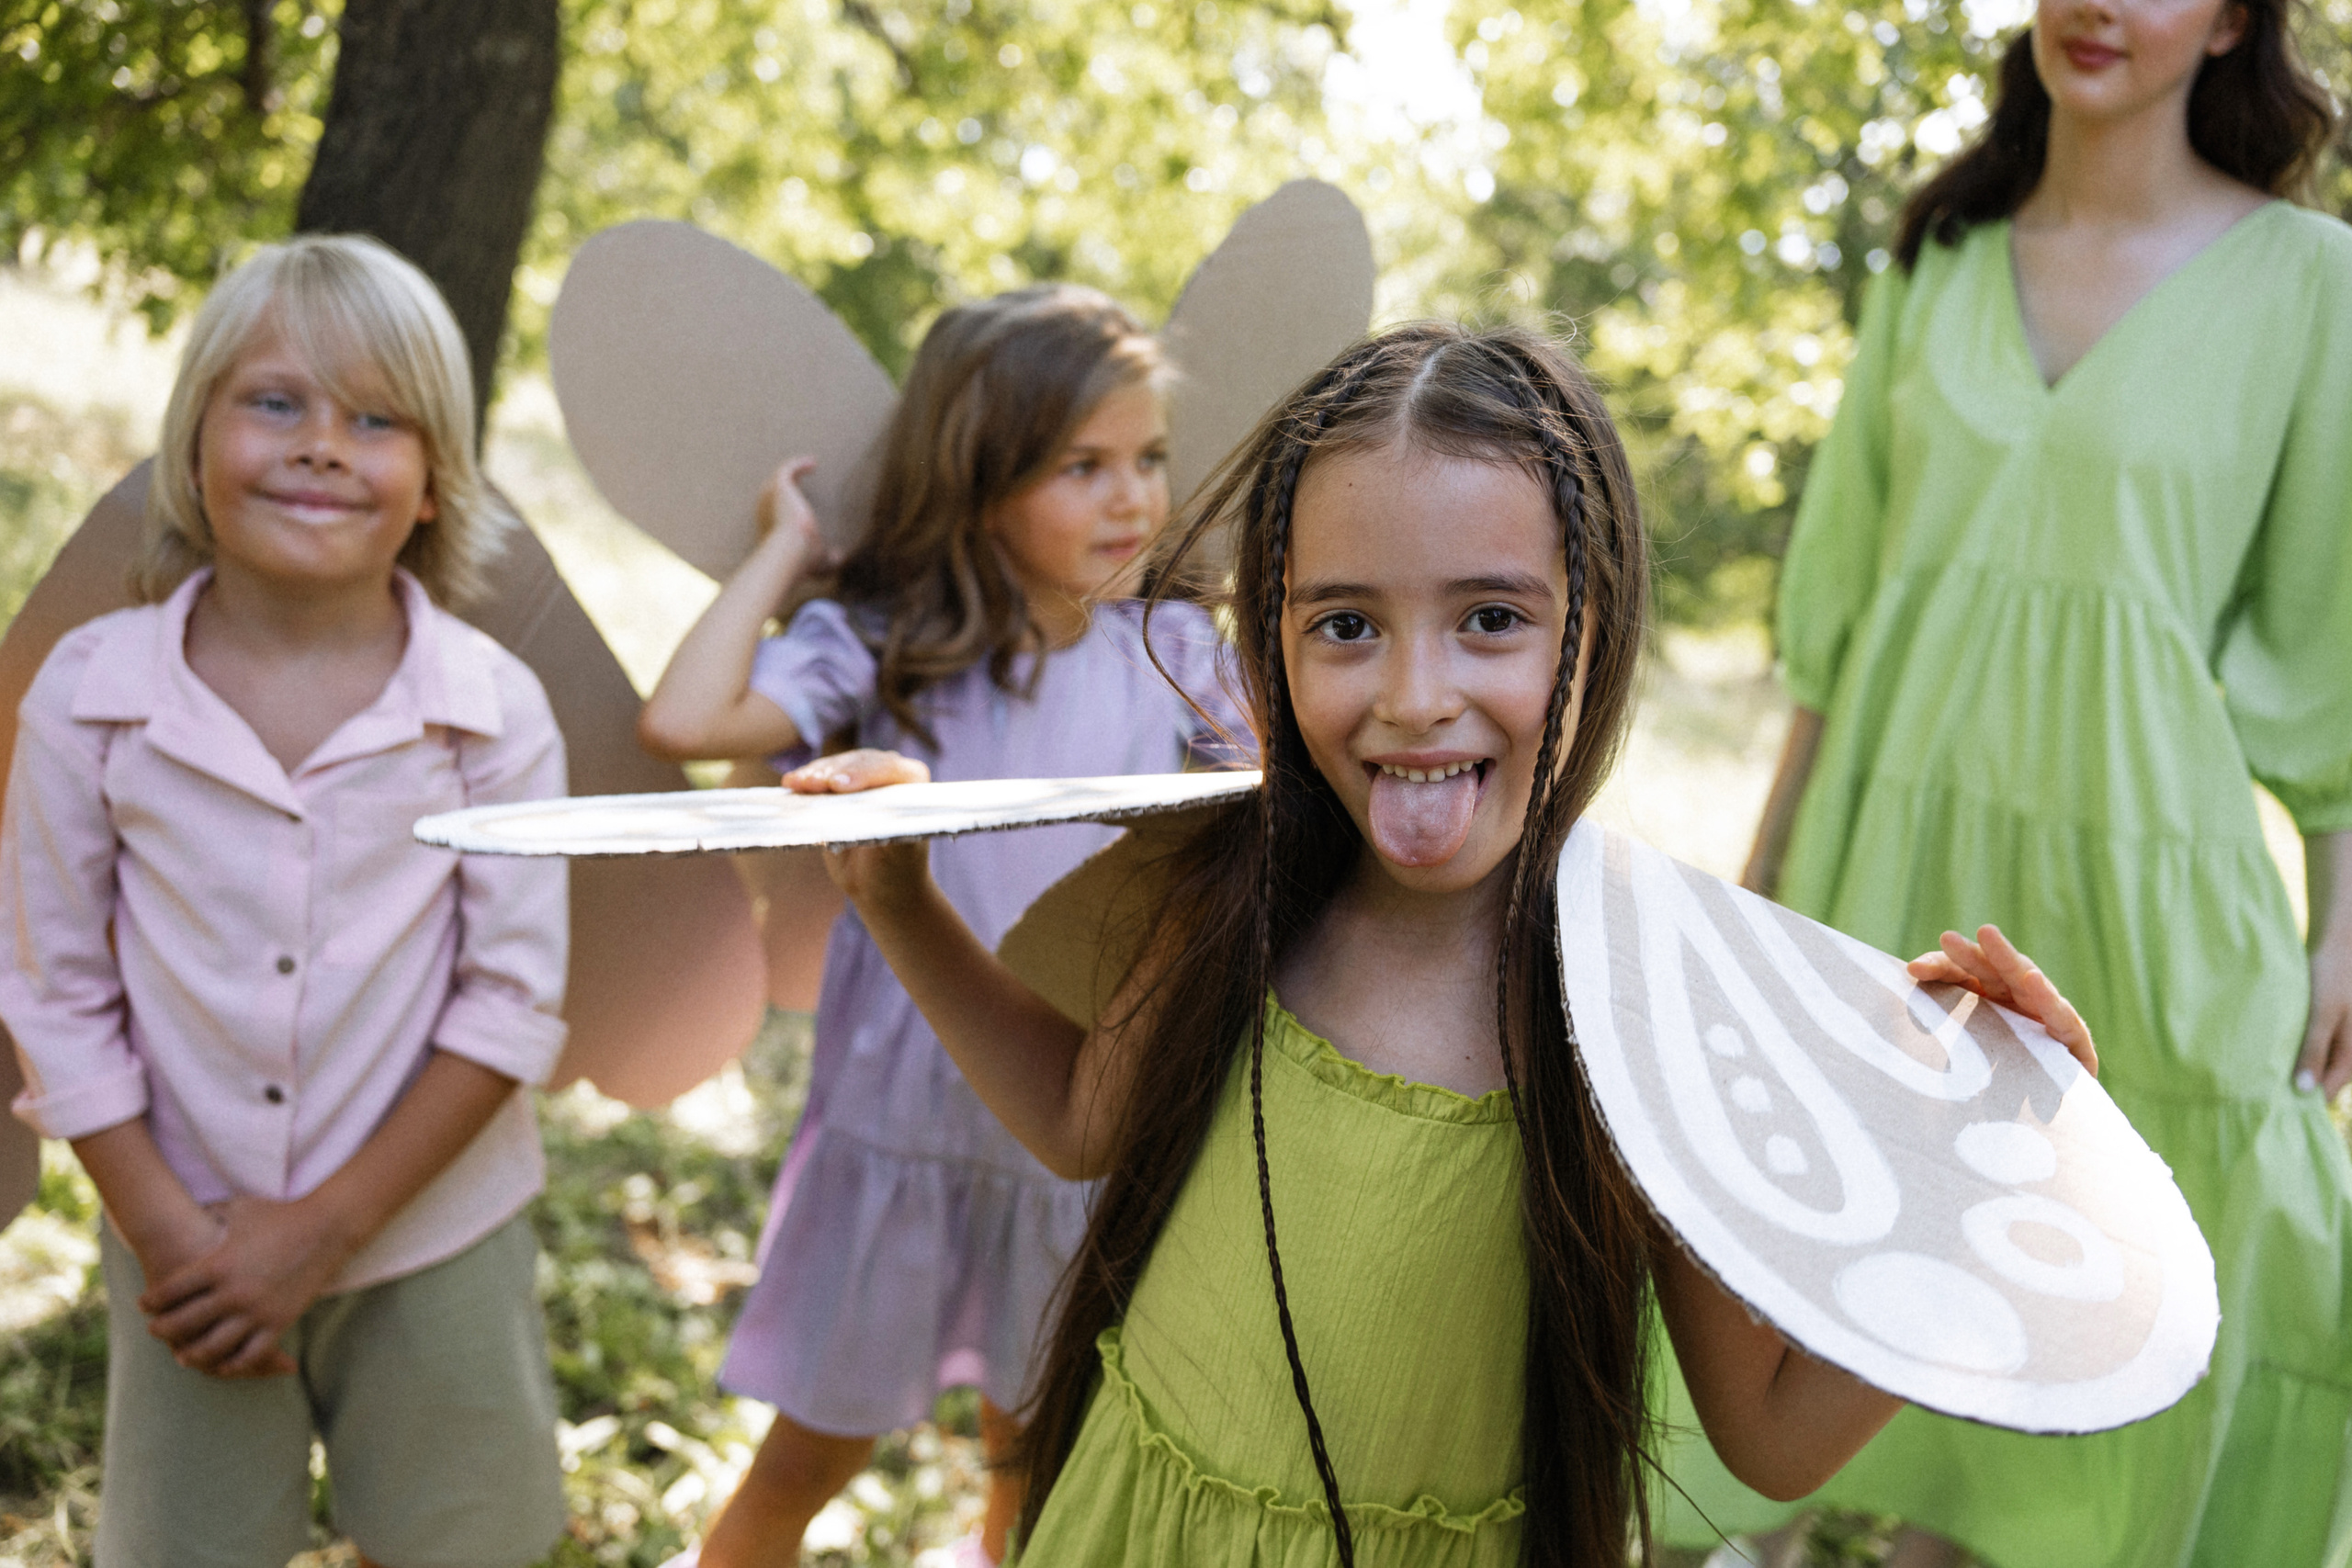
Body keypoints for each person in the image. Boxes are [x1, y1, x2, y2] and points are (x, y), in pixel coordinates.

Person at [790, 321, 2100, 1567]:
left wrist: (1983, 1186)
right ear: (1278, 629)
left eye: (1490, 619)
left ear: (1593, 622)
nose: (1415, 699)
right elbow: (1083, 1120)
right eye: (1347, 626)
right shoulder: (1232, 897)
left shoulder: (1638, 1003)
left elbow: (1771, 1434)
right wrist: (902, 902)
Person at [1666, 0, 2352, 1562]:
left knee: (2129, 1269)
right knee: (1824, 1232)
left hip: (2144, 867)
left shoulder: (2317, 284)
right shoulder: (1938, 259)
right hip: (1896, 840)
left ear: (2235, 19)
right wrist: (1764, 895)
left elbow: (2327, 633)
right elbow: (1835, 632)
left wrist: (2341, 919)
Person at [636, 284, 1248, 1567]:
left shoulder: (1182, 651)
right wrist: (783, 551)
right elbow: (687, 724)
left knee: (1034, 1456)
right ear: (979, 479)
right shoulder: (887, 643)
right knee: (810, 1454)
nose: (1133, 499)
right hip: (898, 1118)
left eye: (1146, 460)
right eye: (1082, 467)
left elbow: (1265, 822)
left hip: (1075, 1122)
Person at [0, 234, 571, 1566]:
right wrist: (170, 1235)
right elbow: (55, 988)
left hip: (436, 1228)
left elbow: (511, 1001)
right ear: (191, 442)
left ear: (434, 481)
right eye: (276, 403)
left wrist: (320, 1231)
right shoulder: (92, 696)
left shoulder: (491, 713)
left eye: (378, 420)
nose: (324, 446)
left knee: (461, 1546)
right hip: (183, 1246)